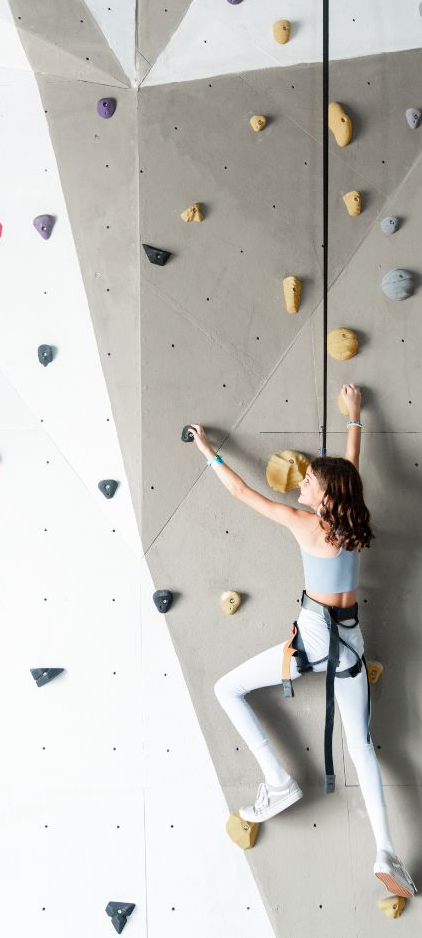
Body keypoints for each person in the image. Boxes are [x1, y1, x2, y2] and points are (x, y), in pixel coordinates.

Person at [195, 385, 415, 899]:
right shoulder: (352, 517)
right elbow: (351, 466)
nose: (302, 483)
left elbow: (243, 494)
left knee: (227, 689)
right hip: (352, 644)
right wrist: (355, 416)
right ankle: (385, 850)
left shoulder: (305, 523)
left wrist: (208, 451)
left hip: (313, 641)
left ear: (323, 496)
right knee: (363, 749)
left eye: (309, 480)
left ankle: (279, 782)